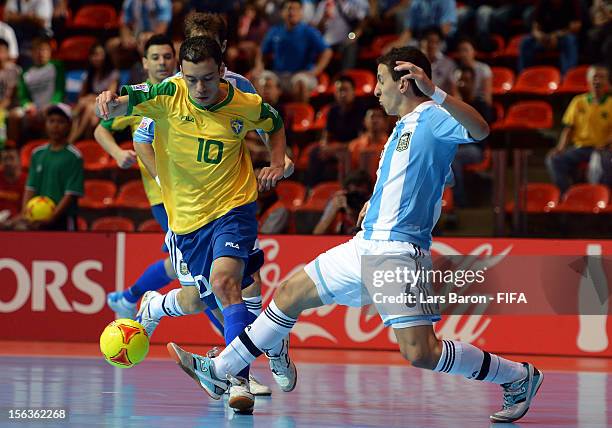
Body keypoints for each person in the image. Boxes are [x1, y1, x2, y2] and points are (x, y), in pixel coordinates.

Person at [167, 46, 544, 424]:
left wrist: (435, 91)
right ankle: (221, 371)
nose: (376, 91)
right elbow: (406, 182)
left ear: (406, 82)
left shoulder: (432, 116)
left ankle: (518, 377)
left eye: (381, 81)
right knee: (289, 293)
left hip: (398, 252)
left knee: (421, 353)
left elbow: (481, 129)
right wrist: (372, 205)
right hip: (365, 243)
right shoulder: (401, 128)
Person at [95, 36, 288, 414]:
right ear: (182, 73)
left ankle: (238, 381)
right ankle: (155, 305)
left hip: (233, 209)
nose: (200, 88)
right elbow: (123, 103)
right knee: (201, 298)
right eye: (192, 79)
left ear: (221, 72)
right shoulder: (167, 94)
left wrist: (278, 162)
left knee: (227, 284)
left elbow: (275, 122)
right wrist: (109, 102)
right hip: (186, 219)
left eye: (207, 79)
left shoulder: (242, 102)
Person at [546, 65, 612, 193]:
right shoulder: (578, 101)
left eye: (601, 77)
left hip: (603, 149)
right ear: (588, 80)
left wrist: (606, 144)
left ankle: (601, 196)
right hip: (580, 148)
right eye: (594, 77)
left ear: (608, 82)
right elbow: (568, 129)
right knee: (553, 159)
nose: (597, 81)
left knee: (599, 163)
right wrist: (560, 147)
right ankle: (568, 195)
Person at [20, 104, 83, 231]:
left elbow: (71, 193)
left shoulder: (74, 157)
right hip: (38, 218)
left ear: (69, 125)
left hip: (63, 219)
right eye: (51, 121)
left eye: (60, 122)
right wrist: (26, 213)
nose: (55, 126)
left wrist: (52, 217)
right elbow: (30, 187)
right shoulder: (37, 154)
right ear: (45, 124)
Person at [256, 0, 333, 102]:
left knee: (300, 83)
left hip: (301, 74)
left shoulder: (309, 31)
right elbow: (262, 52)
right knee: (263, 81)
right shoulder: (275, 31)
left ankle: (300, 115)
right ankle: (268, 115)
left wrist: (315, 71)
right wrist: (259, 67)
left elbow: (327, 51)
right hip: (279, 75)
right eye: (289, 9)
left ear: (301, 12)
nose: (292, 12)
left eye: (296, 9)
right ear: (282, 12)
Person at [306, 74, 367, 186]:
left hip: (352, 147)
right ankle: (312, 189)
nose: (342, 94)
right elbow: (327, 134)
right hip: (337, 147)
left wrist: (338, 147)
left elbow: (362, 139)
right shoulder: (333, 110)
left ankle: (346, 188)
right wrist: (324, 146)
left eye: (346, 90)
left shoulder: (362, 109)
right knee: (315, 152)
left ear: (353, 91)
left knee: (346, 155)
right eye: (339, 90)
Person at [451, 65, 493, 207]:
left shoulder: (481, 105)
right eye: (460, 81)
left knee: (452, 158)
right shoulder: (450, 106)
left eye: (467, 81)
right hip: (455, 147)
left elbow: (480, 133)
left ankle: (458, 202)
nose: (462, 84)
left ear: (474, 83)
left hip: (475, 149)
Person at [8, 36, 64, 145]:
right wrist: (28, 106)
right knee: (14, 115)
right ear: (32, 53)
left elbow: (60, 91)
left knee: (51, 116)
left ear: (50, 52)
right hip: (33, 109)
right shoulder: (26, 73)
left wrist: (51, 105)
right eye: (37, 50)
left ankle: (50, 146)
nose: (41, 53)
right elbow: (23, 96)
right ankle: (12, 148)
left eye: (44, 50)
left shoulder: (57, 67)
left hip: (53, 106)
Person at [69, 43, 119, 144]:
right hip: (92, 108)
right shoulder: (89, 74)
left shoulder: (113, 74)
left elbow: (109, 96)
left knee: (88, 107)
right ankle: (83, 142)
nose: (96, 58)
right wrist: (87, 99)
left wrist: (91, 97)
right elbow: (81, 97)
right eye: (93, 55)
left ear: (105, 56)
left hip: (107, 108)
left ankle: (73, 140)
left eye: (99, 54)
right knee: (90, 114)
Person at [518, 0, 581, 74]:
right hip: (545, 39)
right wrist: (540, 36)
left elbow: (576, 27)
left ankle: (567, 75)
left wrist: (556, 35)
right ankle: (524, 74)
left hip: (562, 37)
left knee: (570, 40)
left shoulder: (572, 2)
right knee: (526, 41)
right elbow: (535, 28)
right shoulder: (542, 3)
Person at [312, 169, 372, 235]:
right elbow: (317, 232)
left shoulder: (373, 203)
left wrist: (354, 215)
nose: (355, 199)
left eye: (360, 195)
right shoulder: (342, 200)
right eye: (352, 195)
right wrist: (334, 207)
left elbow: (363, 233)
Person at [455, 38, 492, 106]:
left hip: (480, 104)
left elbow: (487, 97)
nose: (463, 54)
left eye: (466, 50)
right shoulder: (456, 71)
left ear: (474, 52)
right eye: (460, 50)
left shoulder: (484, 69)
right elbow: (456, 93)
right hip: (464, 104)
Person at [420, 27, 456, 95]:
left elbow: (453, 89)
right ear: (421, 42)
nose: (432, 45)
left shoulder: (449, 64)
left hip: (438, 101)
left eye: (435, 42)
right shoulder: (412, 61)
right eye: (429, 41)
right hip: (416, 101)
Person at [0, 141, 27, 227]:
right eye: (5, 159)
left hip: (19, 222)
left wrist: (11, 222)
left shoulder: (27, 181)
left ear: (19, 160)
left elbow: (28, 210)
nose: (8, 163)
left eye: (11, 158)